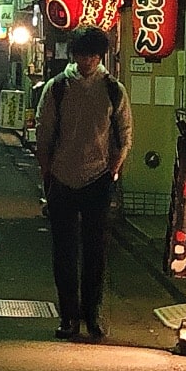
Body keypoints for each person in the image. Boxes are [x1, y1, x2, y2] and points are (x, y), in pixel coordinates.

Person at [32, 27, 131, 342]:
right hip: (61, 176)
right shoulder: (58, 87)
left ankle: (92, 314)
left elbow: (124, 134)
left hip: (98, 177)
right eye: (81, 54)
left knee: (96, 251)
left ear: (100, 56)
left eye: (92, 55)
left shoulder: (113, 89)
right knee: (63, 251)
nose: (86, 61)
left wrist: (112, 169)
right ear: (72, 54)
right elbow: (43, 131)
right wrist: (46, 172)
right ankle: (68, 316)